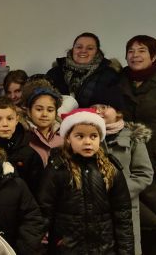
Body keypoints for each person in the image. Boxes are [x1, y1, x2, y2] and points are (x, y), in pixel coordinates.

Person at [37, 108, 134, 254]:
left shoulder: (111, 169)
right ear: (68, 138)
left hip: (105, 250)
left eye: (93, 136)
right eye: (80, 136)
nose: (87, 142)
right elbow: (43, 214)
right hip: (67, 249)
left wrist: (126, 252)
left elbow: (123, 216)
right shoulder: (57, 169)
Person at [90, 88, 153, 255]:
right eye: (94, 107)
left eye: (104, 106)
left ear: (118, 111)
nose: (98, 111)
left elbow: (144, 174)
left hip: (125, 208)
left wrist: (120, 192)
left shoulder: (132, 137)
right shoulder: (88, 136)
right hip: (94, 209)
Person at [117, 34, 156, 255]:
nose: (135, 55)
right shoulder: (118, 79)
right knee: (134, 218)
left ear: (154, 55)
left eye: (141, 50)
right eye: (131, 51)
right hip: (126, 156)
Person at [0, 96, 44, 193]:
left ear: (17, 119)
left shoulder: (29, 153)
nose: (5, 124)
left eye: (9, 118)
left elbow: (38, 190)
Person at [46, 32, 120, 107]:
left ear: (97, 52)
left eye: (90, 48)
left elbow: (114, 107)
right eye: (79, 47)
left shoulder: (109, 75)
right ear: (73, 49)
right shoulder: (55, 72)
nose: (83, 51)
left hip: (95, 118)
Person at [24, 86, 63, 166]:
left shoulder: (62, 138)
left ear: (56, 113)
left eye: (50, 110)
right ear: (29, 112)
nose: (44, 114)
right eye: (39, 109)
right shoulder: (23, 138)